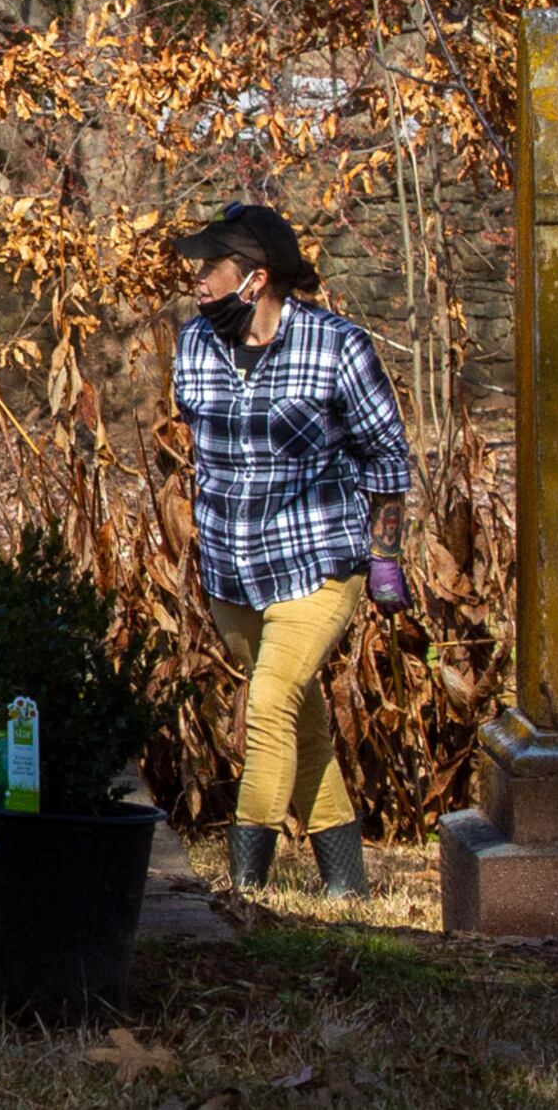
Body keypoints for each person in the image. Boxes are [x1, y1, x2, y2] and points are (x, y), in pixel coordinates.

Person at [170, 201, 413, 897]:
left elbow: (386, 459)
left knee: (270, 705)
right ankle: (347, 887)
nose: (197, 280)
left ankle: (244, 891)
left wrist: (386, 556)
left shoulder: (338, 347)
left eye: (210, 267)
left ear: (257, 278)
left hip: (318, 564)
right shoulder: (193, 345)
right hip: (232, 573)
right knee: (301, 725)